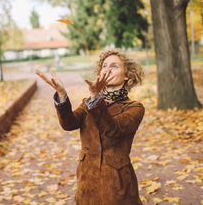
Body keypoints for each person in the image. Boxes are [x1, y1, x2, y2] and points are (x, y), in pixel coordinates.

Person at [35, 49, 145, 205]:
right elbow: (69, 123)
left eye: (114, 66)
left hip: (116, 182)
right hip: (88, 178)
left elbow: (112, 130)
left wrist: (95, 98)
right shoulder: (87, 102)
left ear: (127, 75)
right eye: (105, 66)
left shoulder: (134, 108)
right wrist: (61, 93)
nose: (107, 69)